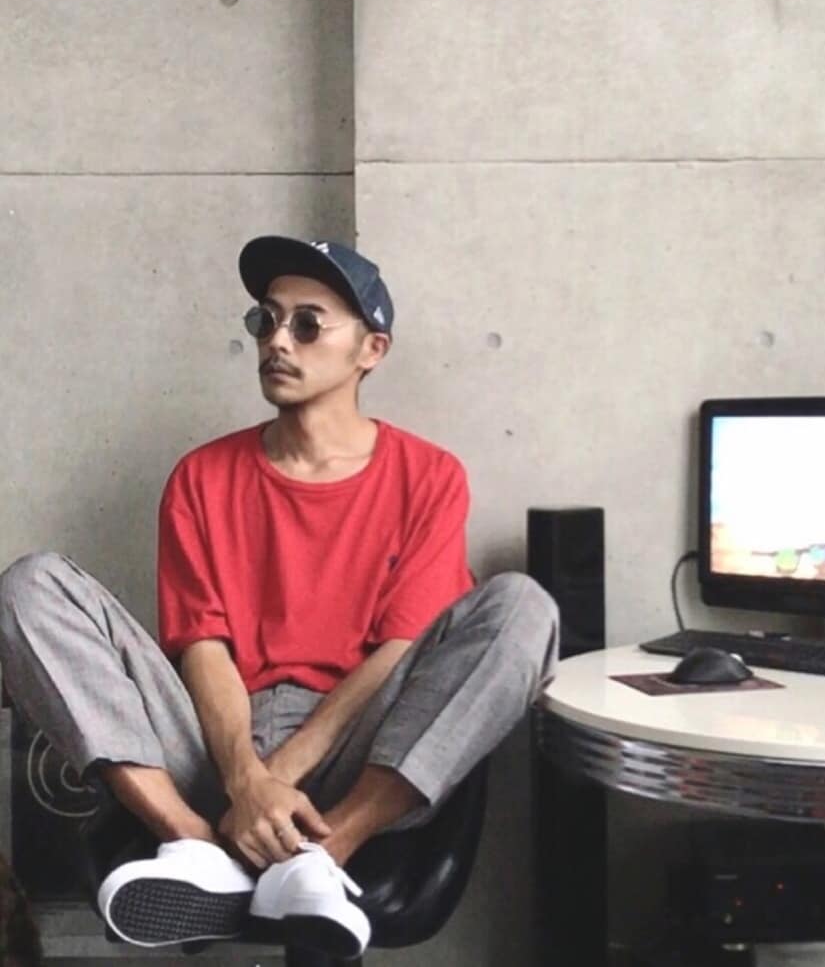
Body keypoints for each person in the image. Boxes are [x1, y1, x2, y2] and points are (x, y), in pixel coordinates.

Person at [0, 236, 559, 957]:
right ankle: (196, 847)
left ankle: (324, 857)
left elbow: (398, 654)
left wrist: (273, 783)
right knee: (31, 585)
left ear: (371, 350)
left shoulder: (429, 476)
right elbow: (203, 649)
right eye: (265, 320)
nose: (277, 341)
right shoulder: (202, 476)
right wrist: (243, 782)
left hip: (359, 752)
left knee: (522, 607)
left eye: (307, 323)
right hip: (209, 744)